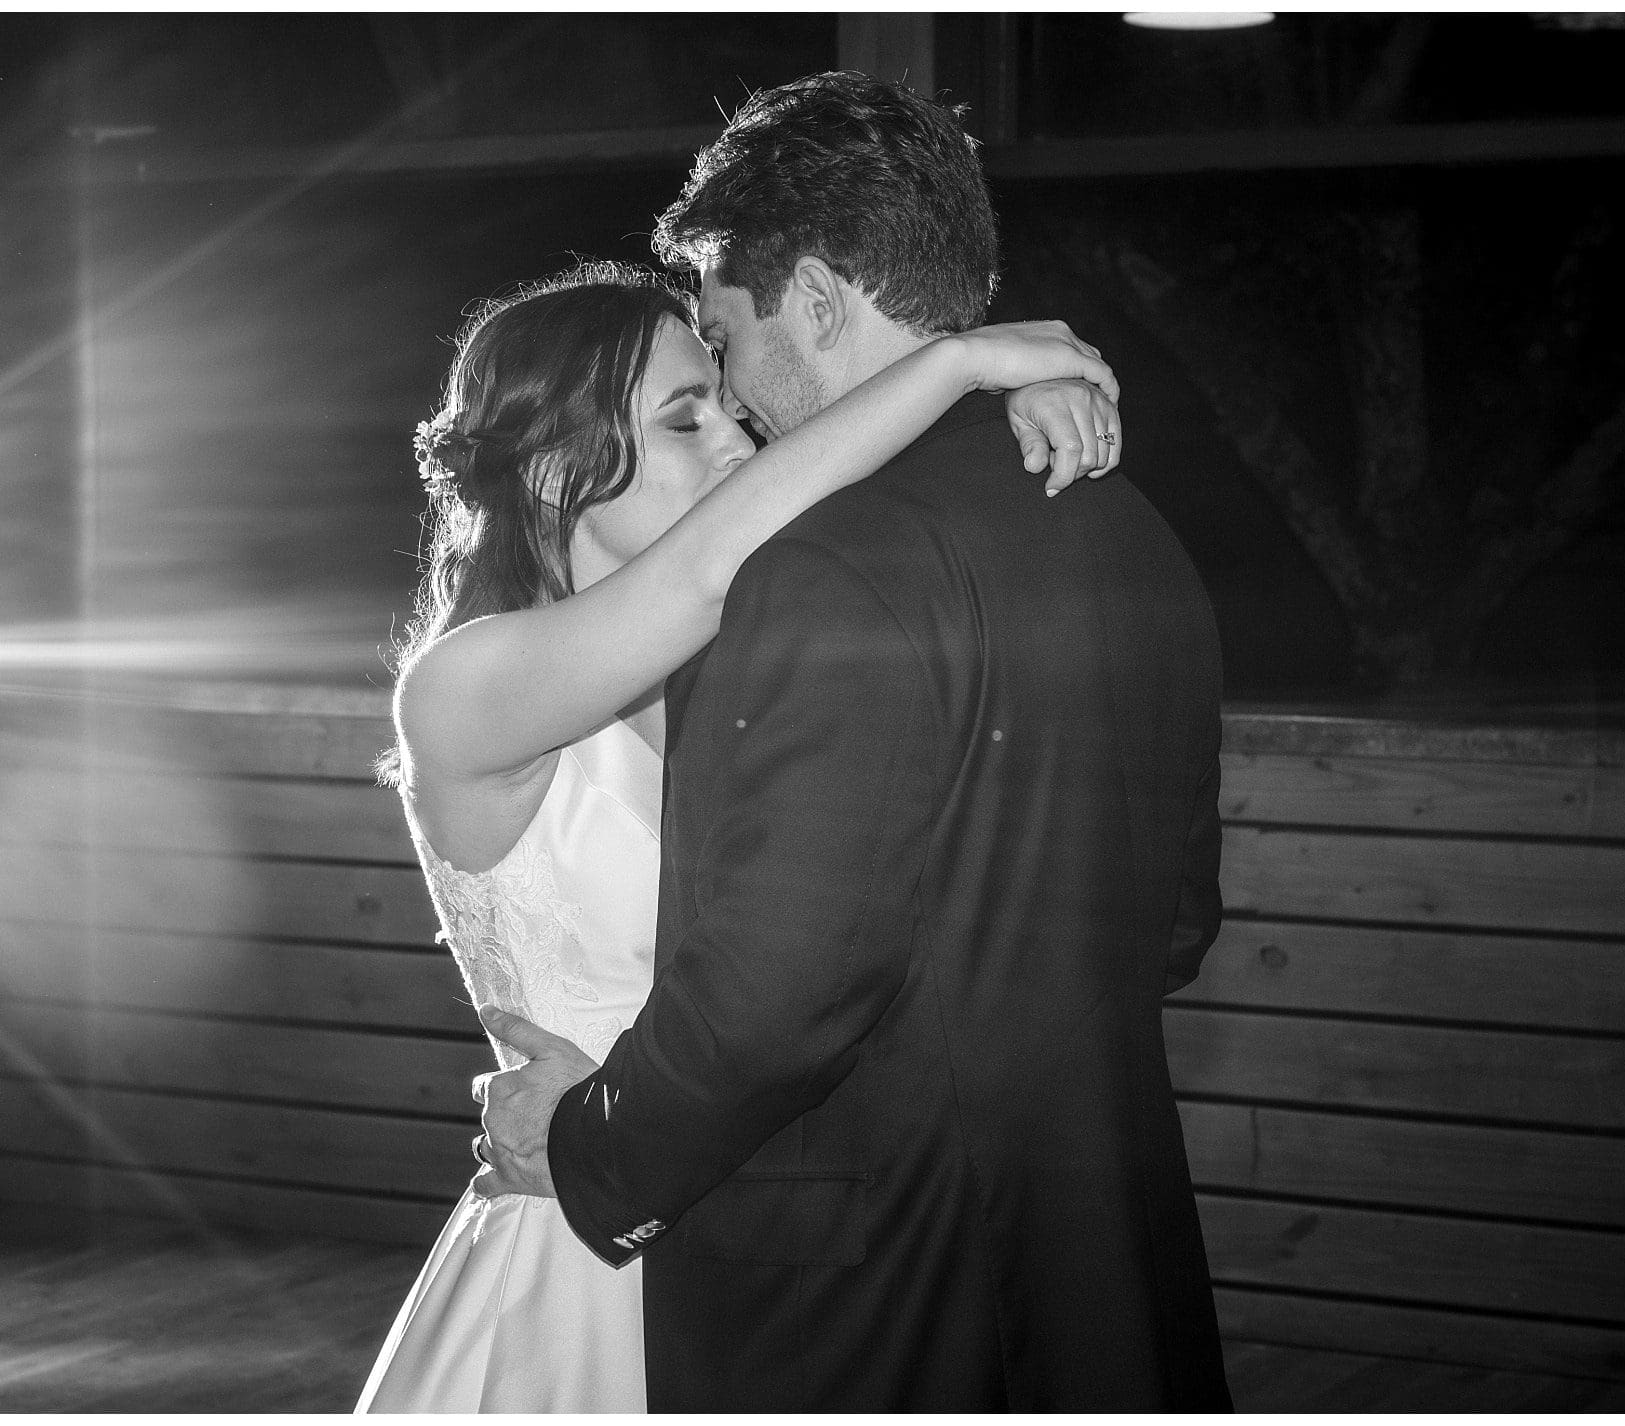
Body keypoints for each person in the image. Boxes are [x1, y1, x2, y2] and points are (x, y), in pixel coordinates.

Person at [472, 74, 1231, 1411]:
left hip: (875, 1305)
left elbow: (781, 988)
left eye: (727, 333)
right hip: (1101, 1265)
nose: (741, 399)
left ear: (817, 301)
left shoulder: (828, 566)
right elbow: (1173, 922)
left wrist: (592, 1150)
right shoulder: (1138, 537)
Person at [353, 257, 1124, 1412]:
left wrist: (986, 419)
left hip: (761, 1242)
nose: (739, 442)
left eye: (730, 405)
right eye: (685, 416)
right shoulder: (463, 687)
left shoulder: (733, 658)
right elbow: (710, 565)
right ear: (561, 467)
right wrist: (959, 362)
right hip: (578, 1243)